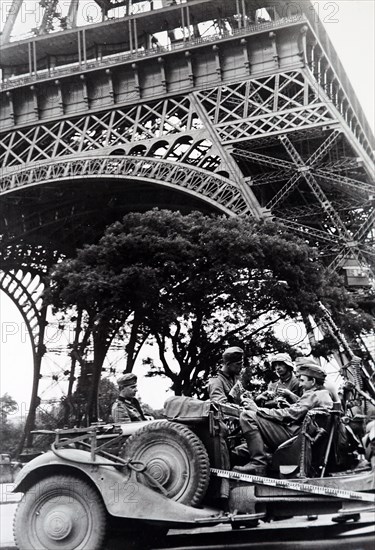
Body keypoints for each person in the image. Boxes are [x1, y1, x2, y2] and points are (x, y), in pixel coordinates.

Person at [234, 362, 333, 475]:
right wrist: (286, 405)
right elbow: (297, 412)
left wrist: (257, 409)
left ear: (313, 382)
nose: (300, 385)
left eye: (302, 381)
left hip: (296, 438)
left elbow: (289, 414)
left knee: (247, 416)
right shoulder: (323, 395)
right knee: (242, 449)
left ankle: (258, 463)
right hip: (302, 436)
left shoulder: (313, 395)